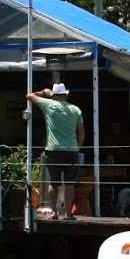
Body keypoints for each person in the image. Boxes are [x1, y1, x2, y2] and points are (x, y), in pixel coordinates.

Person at [26, 82, 86, 219]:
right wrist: (78, 147)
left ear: (54, 94)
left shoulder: (49, 105)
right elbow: (81, 132)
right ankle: (68, 214)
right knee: (70, 183)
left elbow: (29, 96)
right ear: (66, 94)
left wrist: (44, 92)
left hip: (53, 149)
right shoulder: (75, 109)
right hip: (71, 150)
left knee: (54, 182)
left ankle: (53, 212)